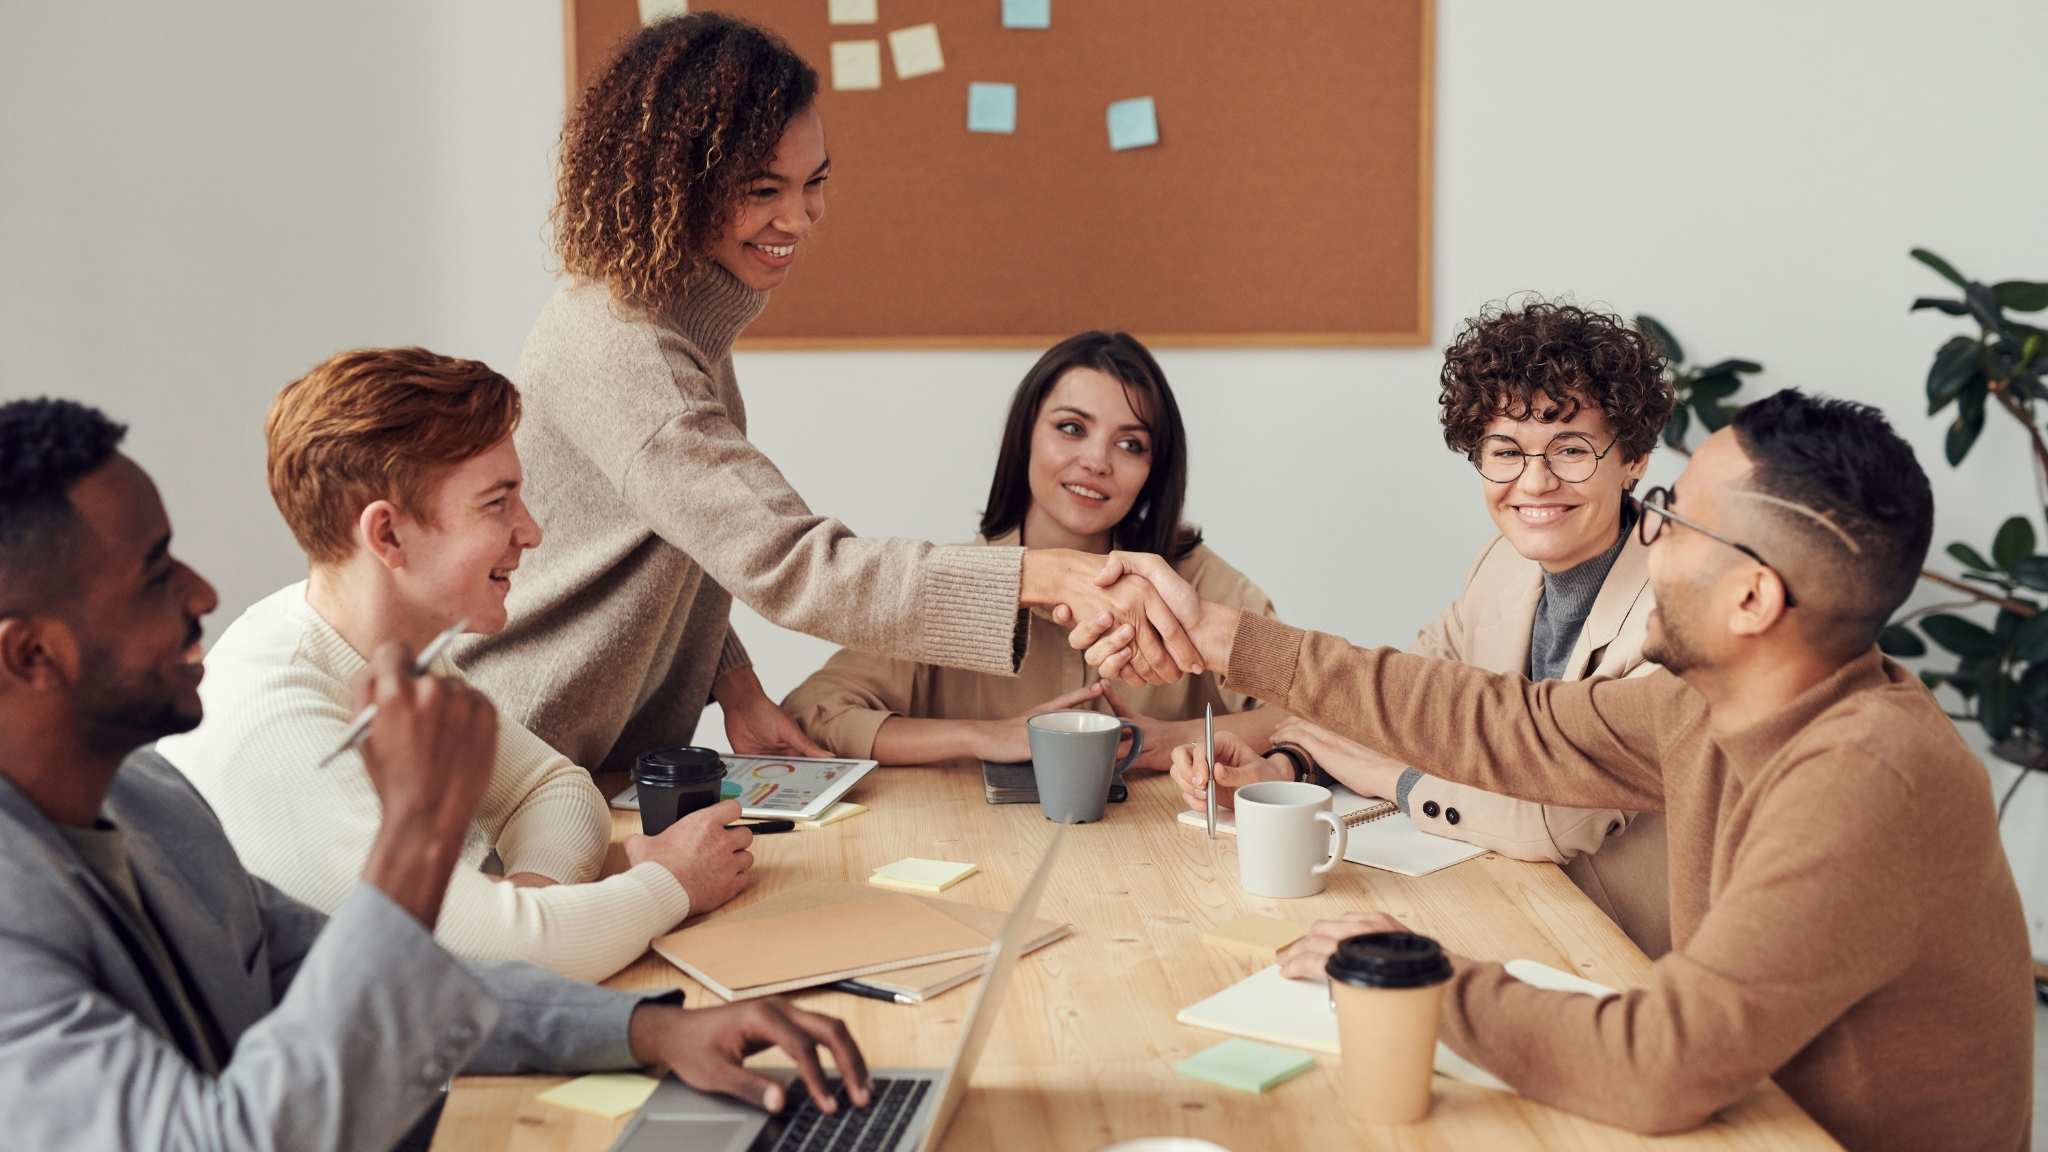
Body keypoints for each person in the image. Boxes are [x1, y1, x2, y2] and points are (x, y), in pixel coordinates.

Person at [1099, 391, 2032, 1151]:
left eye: (1670, 518)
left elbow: (1657, 1065)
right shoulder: (1711, 703)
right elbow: (1507, 724)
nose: (1645, 534)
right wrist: (1226, 639)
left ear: (1753, 596)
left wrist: (1418, 977)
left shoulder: (1866, 778)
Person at [0, 397, 871, 1152]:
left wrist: (649, 1029)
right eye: (155, 576)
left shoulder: (149, 802)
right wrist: (420, 836)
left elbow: (361, 975)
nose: (201, 593)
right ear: (31, 652)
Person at [455, 13, 1201, 777]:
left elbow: (687, 539)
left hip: (589, 763)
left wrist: (735, 685)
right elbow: (794, 562)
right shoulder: (631, 352)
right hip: (518, 760)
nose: (799, 217)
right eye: (762, 189)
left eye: (814, 183)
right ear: (675, 186)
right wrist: (1036, 576)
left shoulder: (673, 322)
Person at [156, 349, 752, 981]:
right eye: (497, 504)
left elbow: (555, 789)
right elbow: (492, 963)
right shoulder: (279, 720)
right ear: (386, 536)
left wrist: (529, 905)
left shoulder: (387, 648)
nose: (531, 532)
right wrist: (669, 882)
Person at [1183, 300, 1676, 954]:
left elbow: (1555, 820)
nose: (1534, 481)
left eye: (1572, 450)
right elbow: (1401, 701)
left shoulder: (1678, 607)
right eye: (1506, 451)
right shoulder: (1501, 566)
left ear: (1634, 456)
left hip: (1631, 956)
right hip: (1510, 911)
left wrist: (1391, 779)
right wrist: (1286, 764)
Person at [783, 332, 1277, 770]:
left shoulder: (1196, 583)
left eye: (1130, 445)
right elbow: (812, 713)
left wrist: (1177, 739)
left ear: (1154, 471)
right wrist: (984, 735)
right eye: (1071, 428)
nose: (1096, 461)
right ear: (1025, 437)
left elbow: (1319, 710)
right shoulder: (955, 584)